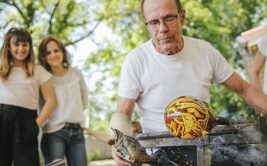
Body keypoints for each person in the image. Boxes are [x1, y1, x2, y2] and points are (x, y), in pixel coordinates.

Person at [109, 0, 267, 165]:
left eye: (169, 18)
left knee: (258, 158)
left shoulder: (205, 51)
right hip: (162, 149)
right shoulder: (136, 60)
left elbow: (244, 89)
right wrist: (119, 143)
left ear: (182, 17)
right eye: (154, 22)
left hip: (207, 142)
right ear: (147, 25)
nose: (162, 28)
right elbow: (122, 114)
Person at [0, 28, 57, 166]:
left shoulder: (38, 70)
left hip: (27, 121)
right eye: (16, 44)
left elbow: (51, 101)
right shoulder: (1, 68)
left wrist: (36, 124)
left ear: (30, 47)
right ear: (8, 47)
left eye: (25, 45)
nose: (21, 49)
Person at [38, 37, 88, 166]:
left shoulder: (76, 73)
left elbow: (84, 101)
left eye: (56, 50)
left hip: (77, 132)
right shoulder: (43, 79)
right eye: (48, 53)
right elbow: (41, 107)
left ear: (63, 52)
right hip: (53, 134)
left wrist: (71, 114)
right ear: (43, 57)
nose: (53, 55)